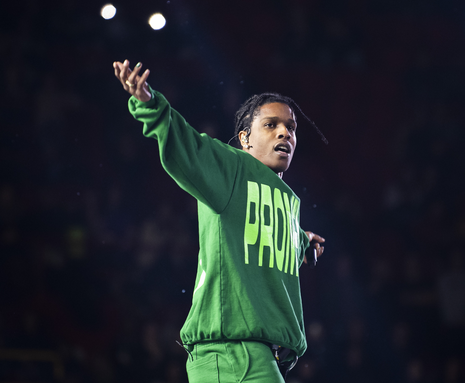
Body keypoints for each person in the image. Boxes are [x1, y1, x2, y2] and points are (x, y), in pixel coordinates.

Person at [113, 60, 326, 382]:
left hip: (253, 358)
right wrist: (149, 104)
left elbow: (272, 238)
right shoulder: (233, 169)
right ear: (244, 139)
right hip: (231, 355)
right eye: (271, 124)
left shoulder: (286, 199)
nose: (285, 131)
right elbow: (185, 144)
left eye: (291, 127)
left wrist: (303, 243)